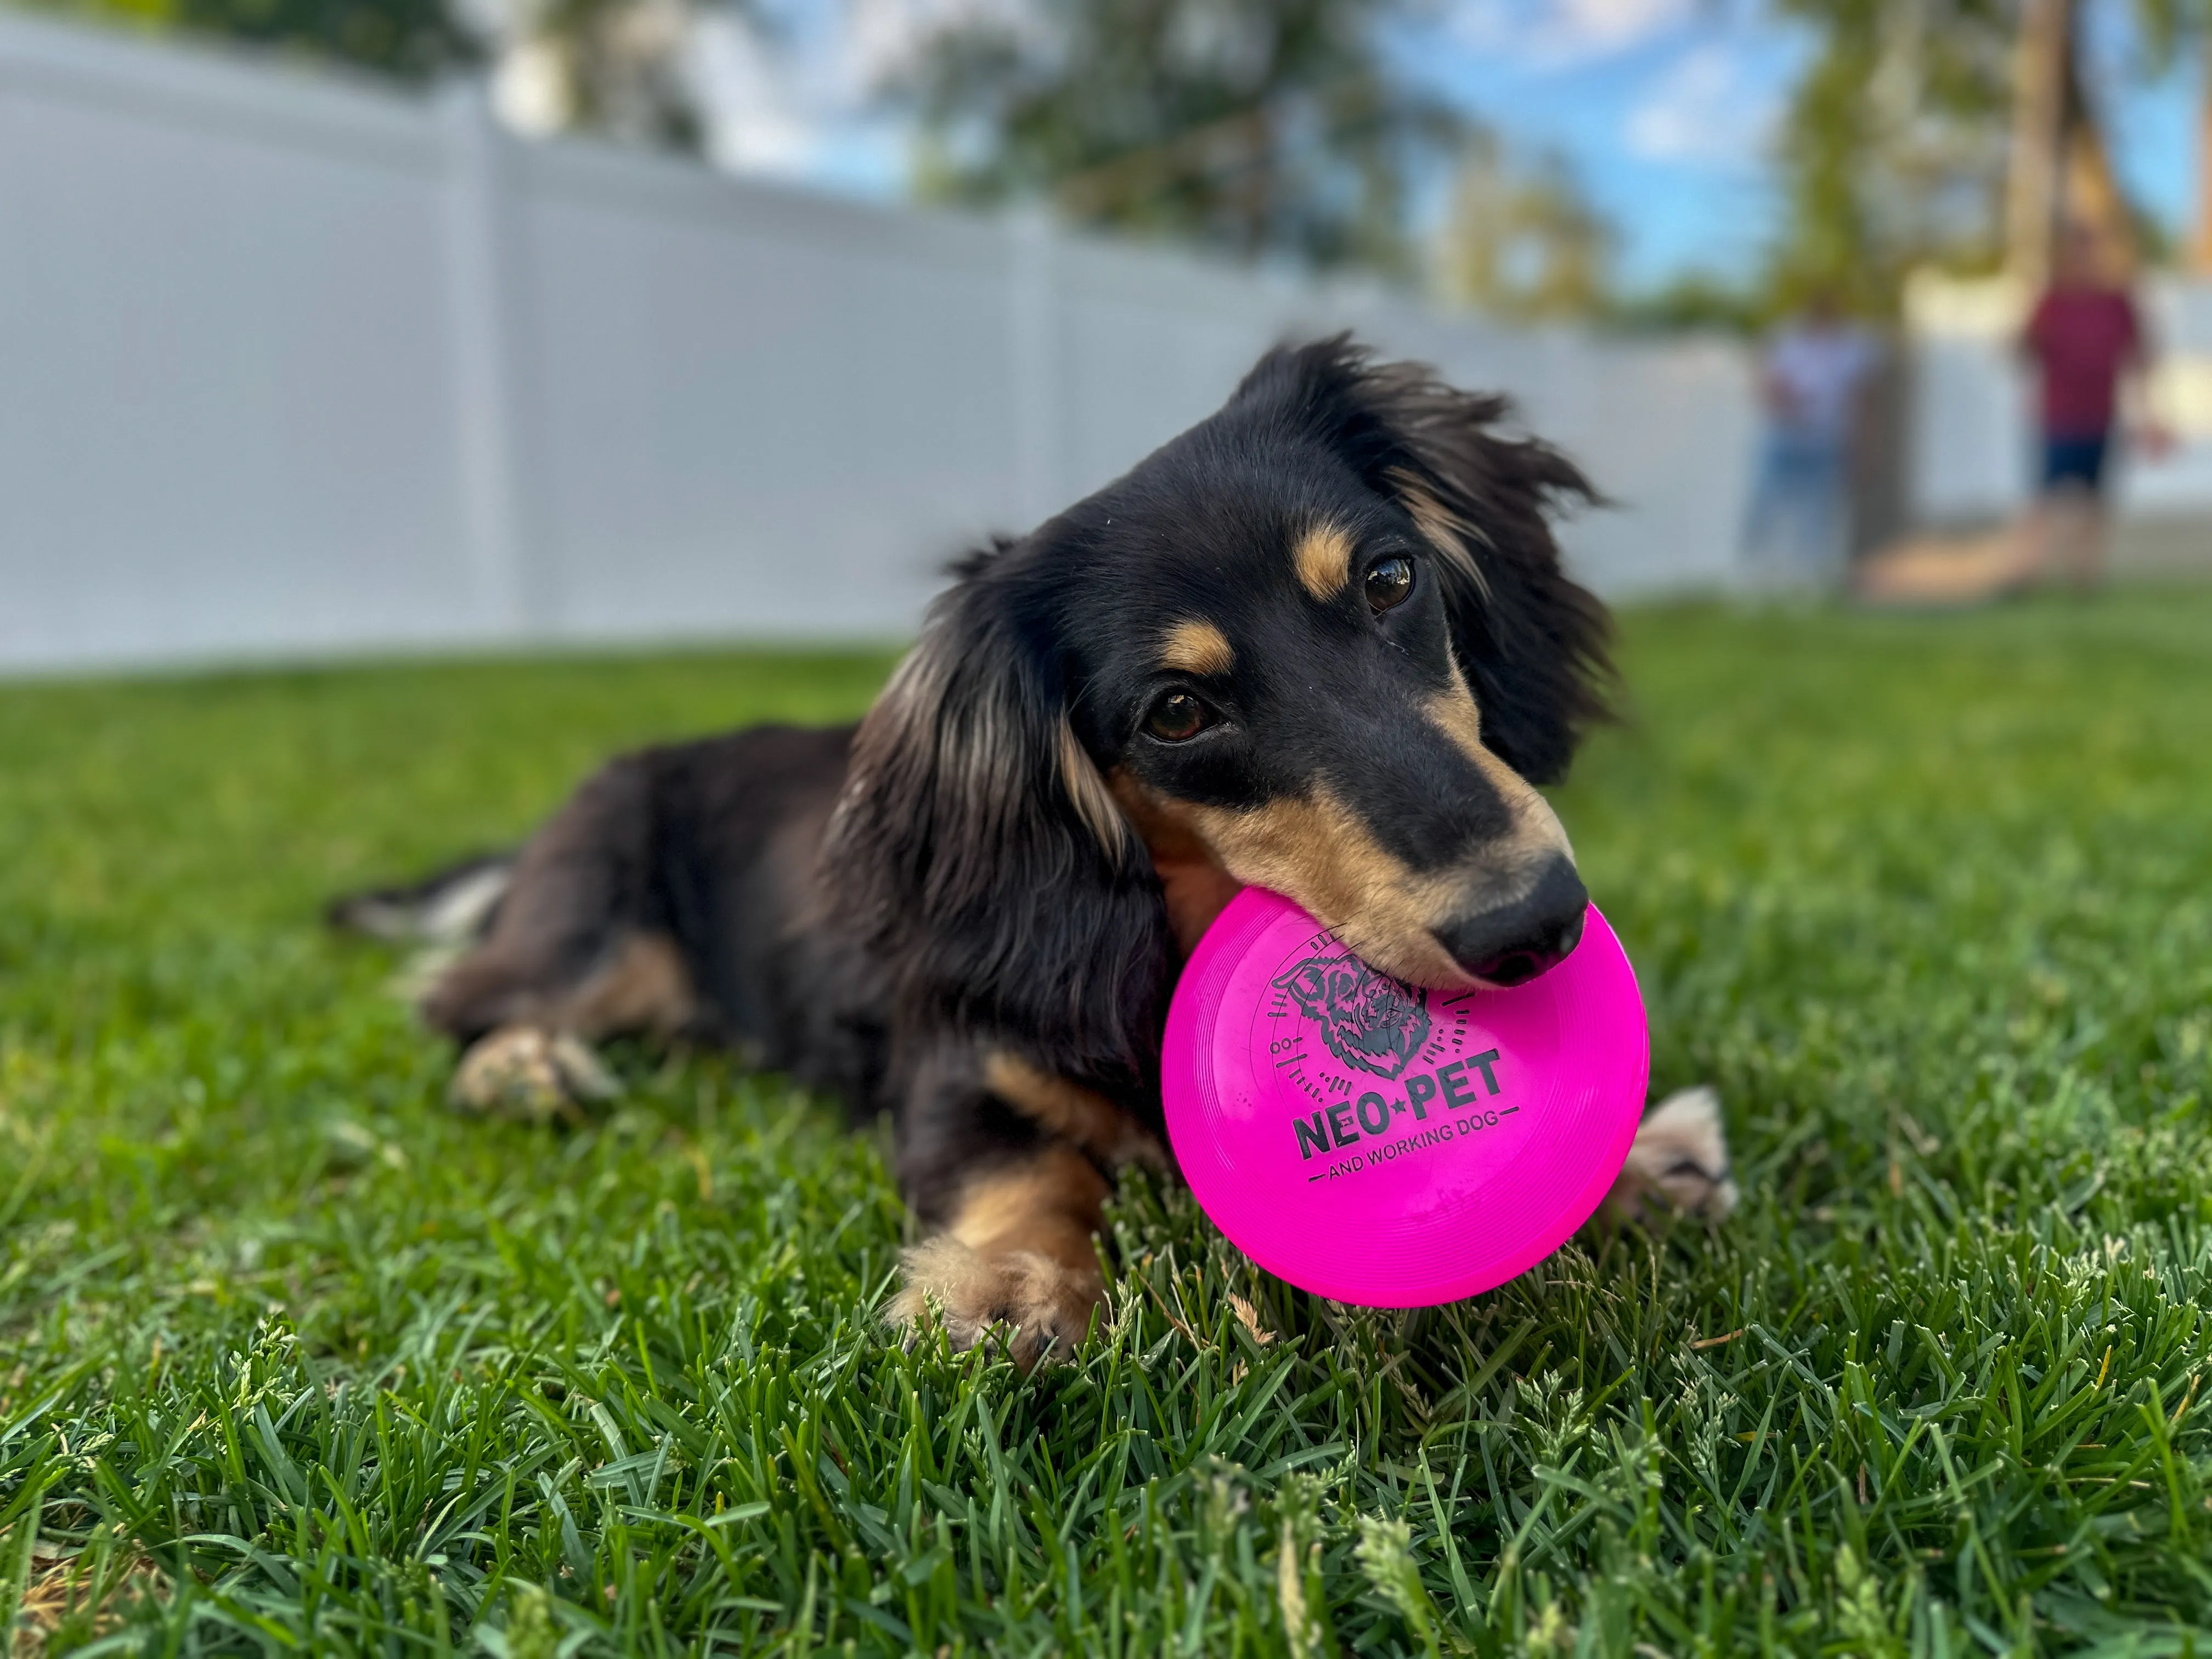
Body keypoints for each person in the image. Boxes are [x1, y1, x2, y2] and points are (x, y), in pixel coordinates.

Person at [2015, 224, 2164, 591]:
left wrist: (2149, 416)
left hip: (2101, 415)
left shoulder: (2118, 302)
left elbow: (2140, 359)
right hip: (2057, 415)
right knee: (2045, 498)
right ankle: (2027, 572)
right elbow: (2022, 352)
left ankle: (2085, 578)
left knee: (2096, 501)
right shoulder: (2051, 300)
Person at [1741, 289, 1881, 591]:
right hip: (1786, 436)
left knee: (1818, 516)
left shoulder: (1852, 348)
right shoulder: (1787, 340)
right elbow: (1767, 385)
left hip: (1826, 440)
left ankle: (1812, 581)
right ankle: (1755, 578)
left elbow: (1861, 401)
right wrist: (1785, 401)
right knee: (1767, 508)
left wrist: (1863, 449)